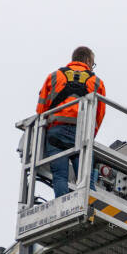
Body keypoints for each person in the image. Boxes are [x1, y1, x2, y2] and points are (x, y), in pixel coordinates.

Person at [36, 46, 106, 197]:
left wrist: (46, 128)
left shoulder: (54, 76)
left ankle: (63, 207)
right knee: (85, 179)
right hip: (81, 133)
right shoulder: (96, 82)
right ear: (88, 60)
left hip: (56, 131)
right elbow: (99, 114)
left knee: (60, 176)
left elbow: (41, 108)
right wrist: (90, 134)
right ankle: (88, 207)